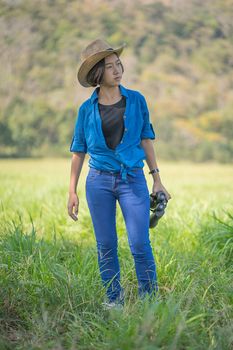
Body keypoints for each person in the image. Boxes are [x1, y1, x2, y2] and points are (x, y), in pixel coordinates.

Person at [67, 38, 171, 309]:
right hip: (98, 182)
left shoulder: (136, 101)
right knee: (106, 245)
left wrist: (157, 179)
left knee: (139, 243)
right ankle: (114, 300)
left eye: (118, 64)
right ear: (97, 74)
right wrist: (72, 191)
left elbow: (146, 138)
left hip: (132, 179)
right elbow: (78, 150)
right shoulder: (86, 110)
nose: (117, 70)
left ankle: (149, 302)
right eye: (110, 67)